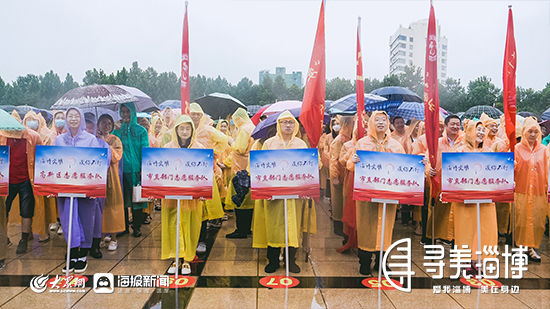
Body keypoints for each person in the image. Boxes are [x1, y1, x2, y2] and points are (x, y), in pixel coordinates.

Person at [349, 111, 405, 276]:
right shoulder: (362, 143)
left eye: (384, 120)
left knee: (386, 228)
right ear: (371, 123)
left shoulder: (396, 146)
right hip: (367, 195)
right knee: (366, 227)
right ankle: (364, 262)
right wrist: (354, 161)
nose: (381, 123)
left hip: (388, 194)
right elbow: (349, 165)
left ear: (388, 123)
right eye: (377, 120)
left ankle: (382, 262)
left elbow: (405, 167)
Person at [253, 111, 308, 274]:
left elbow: (309, 167)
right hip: (274, 195)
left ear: (295, 125)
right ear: (279, 125)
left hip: (294, 195)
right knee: (274, 227)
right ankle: (273, 260)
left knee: (293, 226)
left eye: (291, 123)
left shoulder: (301, 144)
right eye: (284, 123)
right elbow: (261, 167)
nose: (288, 126)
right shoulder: (269, 143)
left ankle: (291, 260)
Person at [54, 107, 103, 273]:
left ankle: (82, 254)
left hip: (85, 189)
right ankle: (72, 253)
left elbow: (97, 163)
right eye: (70, 116)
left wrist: (94, 189)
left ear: (81, 119)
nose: (73, 119)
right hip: (65, 188)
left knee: (85, 218)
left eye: (76, 116)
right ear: (66, 119)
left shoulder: (90, 139)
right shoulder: (59, 140)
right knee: (68, 219)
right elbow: (53, 162)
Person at [161, 114, 204, 275]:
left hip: (192, 198)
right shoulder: (167, 148)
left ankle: (187, 259)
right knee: (173, 224)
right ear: (176, 130)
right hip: (172, 196)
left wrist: (203, 191)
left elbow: (207, 172)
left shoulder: (199, 148)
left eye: (188, 128)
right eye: (182, 128)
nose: (185, 131)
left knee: (190, 224)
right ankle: (175, 258)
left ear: (192, 130)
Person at [453, 121, 497, 275]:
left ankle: (477, 260)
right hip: (465, 200)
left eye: (482, 130)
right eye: (478, 130)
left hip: (485, 199)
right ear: (469, 131)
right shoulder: (459, 150)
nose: (481, 133)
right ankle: (465, 260)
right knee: (465, 228)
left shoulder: (490, 150)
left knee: (483, 228)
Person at [0, 115, 42, 254]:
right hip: (6, 180)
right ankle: (3, 237)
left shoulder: (33, 137)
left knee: (26, 210)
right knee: (3, 210)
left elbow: (42, 157)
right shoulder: (2, 136)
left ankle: (23, 239)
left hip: (26, 180)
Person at [189, 103, 225, 253]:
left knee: (202, 207)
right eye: (193, 113)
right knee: (189, 208)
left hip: (204, 171)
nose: (196, 116)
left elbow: (223, 140)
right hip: (187, 174)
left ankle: (201, 239)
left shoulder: (208, 130)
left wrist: (213, 153)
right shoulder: (185, 128)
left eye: (198, 113)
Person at [514, 117, 549, 262]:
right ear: (524, 132)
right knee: (520, 220)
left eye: (536, 131)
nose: (533, 135)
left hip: (538, 192)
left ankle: (531, 248)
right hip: (521, 191)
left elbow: (547, 170)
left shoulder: (543, 150)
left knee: (537, 221)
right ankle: (520, 248)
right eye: (530, 131)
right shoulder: (517, 148)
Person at [426, 114, 464, 246]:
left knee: (458, 213)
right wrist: (428, 170)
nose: (455, 126)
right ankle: (433, 239)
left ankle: (455, 241)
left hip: (459, 185)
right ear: (445, 126)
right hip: (440, 183)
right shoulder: (437, 143)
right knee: (439, 213)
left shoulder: (464, 142)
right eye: (452, 124)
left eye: (457, 124)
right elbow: (427, 160)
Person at [113, 103, 150, 237]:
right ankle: (123, 227)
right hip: (121, 170)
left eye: (128, 112)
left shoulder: (141, 131)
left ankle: (137, 226)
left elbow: (145, 150)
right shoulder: (117, 129)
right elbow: (110, 144)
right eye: (122, 112)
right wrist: (114, 130)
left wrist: (143, 168)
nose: (125, 115)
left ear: (133, 112)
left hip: (136, 171)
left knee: (137, 199)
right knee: (122, 199)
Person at [225, 108, 255, 238]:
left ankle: (241, 230)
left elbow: (241, 148)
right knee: (247, 199)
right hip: (249, 168)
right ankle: (247, 228)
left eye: (235, 120)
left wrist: (232, 143)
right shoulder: (252, 127)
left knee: (240, 198)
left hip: (240, 168)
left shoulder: (244, 129)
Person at [97, 114, 125, 252]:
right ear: (98, 125)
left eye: (109, 123)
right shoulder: (93, 139)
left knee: (113, 207)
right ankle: (101, 236)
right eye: (103, 123)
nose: (106, 126)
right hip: (98, 178)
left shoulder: (115, 140)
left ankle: (113, 238)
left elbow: (116, 157)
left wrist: (105, 144)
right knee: (100, 208)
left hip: (112, 178)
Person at [329, 115, 354, 237]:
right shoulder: (340, 140)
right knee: (338, 202)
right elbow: (334, 160)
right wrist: (334, 176)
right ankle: (337, 226)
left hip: (345, 175)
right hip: (339, 176)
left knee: (343, 202)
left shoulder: (349, 138)